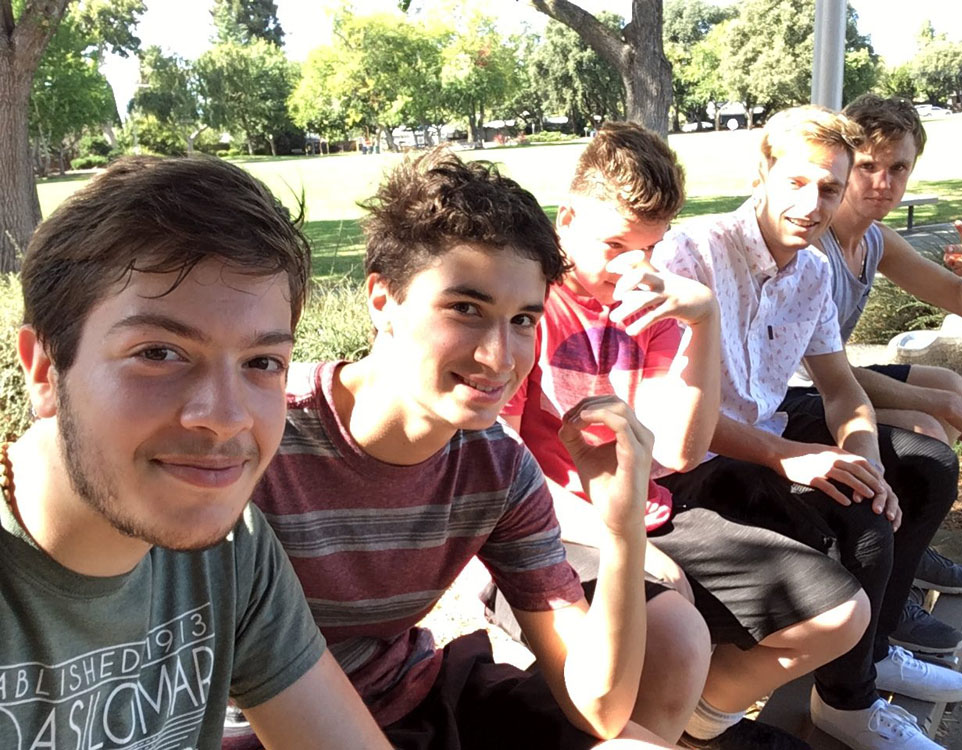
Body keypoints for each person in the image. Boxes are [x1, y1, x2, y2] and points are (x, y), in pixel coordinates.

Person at [235, 149, 681, 749]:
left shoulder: (496, 467)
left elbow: (598, 709)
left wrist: (622, 528)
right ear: (382, 301)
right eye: (465, 309)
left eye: (524, 319)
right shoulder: (259, 436)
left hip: (419, 703)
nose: (499, 358)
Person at [496, 121, 869, 750]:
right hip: (551, 519)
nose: (634, 267)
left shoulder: (654, 303)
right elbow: (497, 467)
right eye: (615, 244)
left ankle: (692, 726)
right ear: (566, 220)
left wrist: (703, 319)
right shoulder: (531, 307)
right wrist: (621, 541)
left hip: (649, 507)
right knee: (675, 629)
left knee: (842, 616)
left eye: (651, 246)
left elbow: (679, 451)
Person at [0, 155, 390, 750]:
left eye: (262, 363)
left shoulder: (233, 549)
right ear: (46, 369)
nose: (225, 418)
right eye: (158, 353)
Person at [654, 106, 962, 750]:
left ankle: (871, 654)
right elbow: (673, 416)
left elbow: (840, 386)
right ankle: (846, 705)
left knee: (912, 471)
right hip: (695, 456)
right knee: (864, 524)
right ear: (763, 172)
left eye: (829, 187)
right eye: (798, 182)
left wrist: (864, 455)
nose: (813, 202)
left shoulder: (812, 271)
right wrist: (788, 457)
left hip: (766, 429)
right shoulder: (692, 251)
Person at [780, 94, 962, 654]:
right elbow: (820, 371)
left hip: (831, 379)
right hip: (795, 392)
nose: (883, 183)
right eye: (869, 166)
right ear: (846, 166)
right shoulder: (815, 246)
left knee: (949, 385)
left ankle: (910, 543)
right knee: (928, 429)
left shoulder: (875, 239)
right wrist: (939, 410)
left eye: (898, 168)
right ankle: (892, 604)